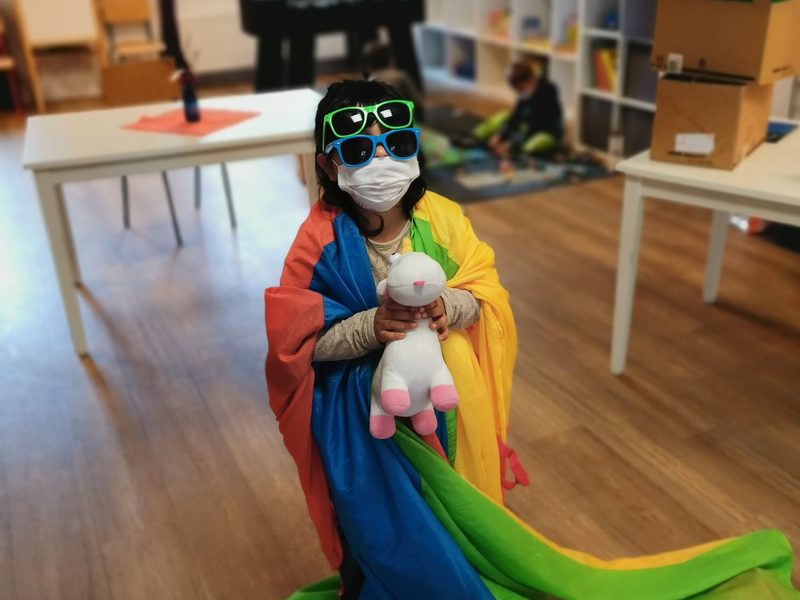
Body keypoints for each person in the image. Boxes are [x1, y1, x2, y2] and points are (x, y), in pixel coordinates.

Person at [264, 80, 798, 599]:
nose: (382, 162)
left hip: (448, 406)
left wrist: (448, 305)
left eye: (397, 144)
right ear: (329, 166)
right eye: (360, 151)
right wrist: (370, 328)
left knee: (458, 512)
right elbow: (297, 344)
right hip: (370, 419)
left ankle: (467, 557)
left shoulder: (442, 219)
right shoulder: (317, 243)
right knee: (386, 529)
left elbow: (484, 291)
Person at [475, 60, 563, 170]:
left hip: (546, 130)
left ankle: (519, 147)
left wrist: (511, 144)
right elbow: (515, 117)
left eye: (521, 88)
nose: (519, 93)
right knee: (502, 118)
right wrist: (500, 135)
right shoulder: (525, 94)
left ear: (530, 81)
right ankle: (486, 136)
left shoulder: (548, 91)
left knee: (531, 146)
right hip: (527, 126)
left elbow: (537, 126)